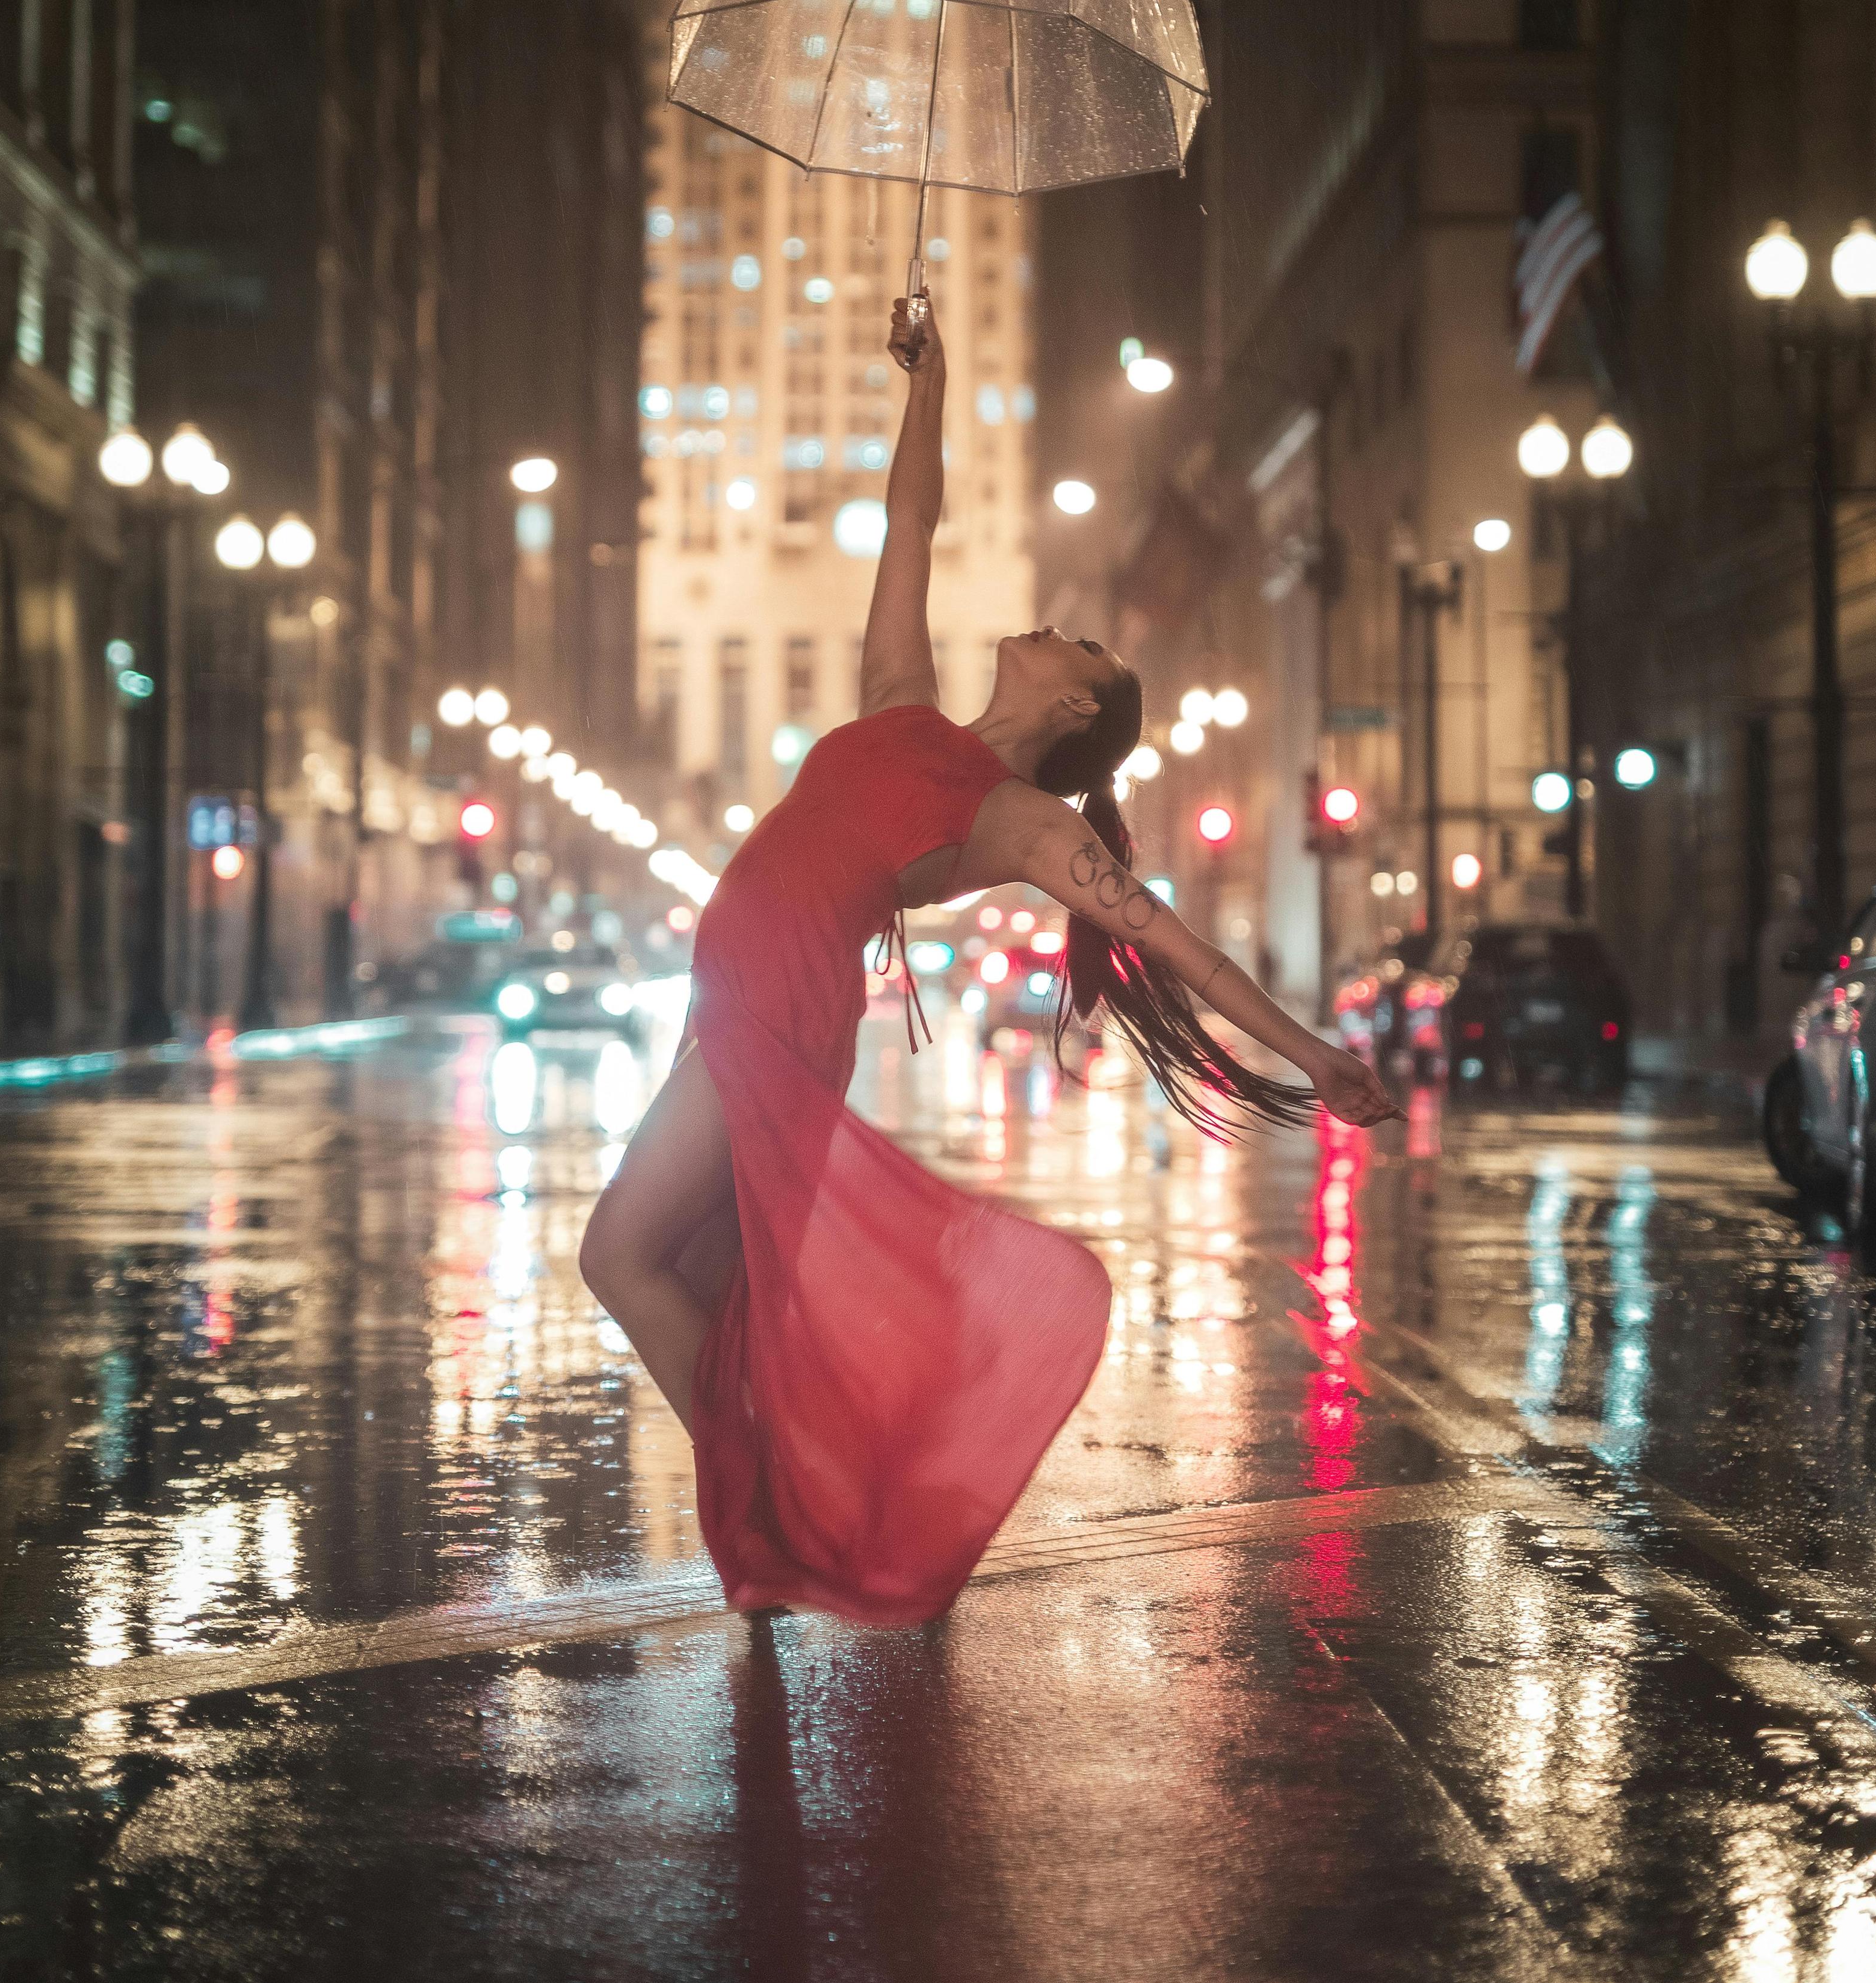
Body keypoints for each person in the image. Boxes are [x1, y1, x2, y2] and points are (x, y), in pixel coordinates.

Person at [581, 302, 1396, 1626]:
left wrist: (1316, 1055)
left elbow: (1174, 947)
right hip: (729, 1001)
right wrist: (932, 382)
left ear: (1077, 707)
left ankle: (776, 1495)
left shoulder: (1022, 821)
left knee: (620, 1254)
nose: (1055, 622)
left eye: (1083, 643)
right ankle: (794, 1490)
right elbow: (913, 527)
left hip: (775, 1013)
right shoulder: (902, 701)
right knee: (689, 1266)